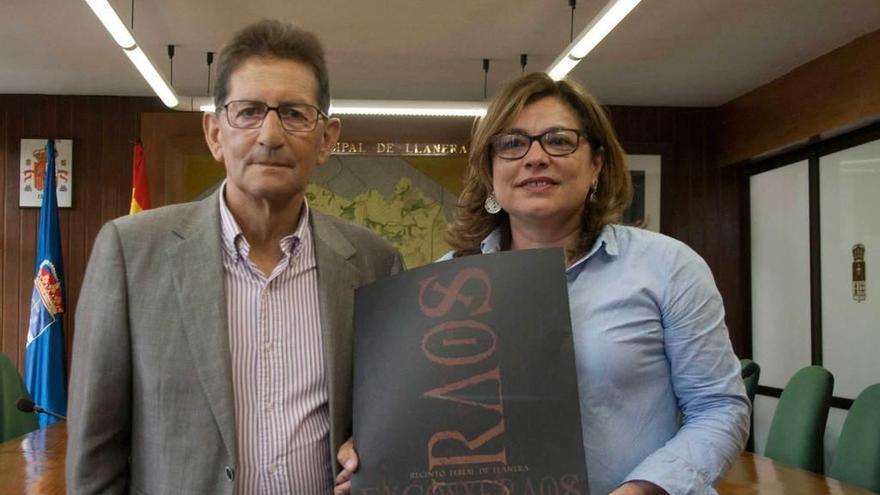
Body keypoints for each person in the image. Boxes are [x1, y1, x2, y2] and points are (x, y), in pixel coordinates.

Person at [66, 19, 401, 495]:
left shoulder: (375, 264)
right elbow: (94, 455)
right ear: (214, 133)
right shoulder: (130, 253)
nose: (270, 134)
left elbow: (387, 424)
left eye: (294, 113)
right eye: (247, 112)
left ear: (326, 138)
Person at [447, 72, 750, 494]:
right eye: (512, 143)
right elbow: (430, 414)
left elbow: (719, 407)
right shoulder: (450, 283)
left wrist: (645, 488)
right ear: (490, 171)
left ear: (596, 164)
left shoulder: (669, 267)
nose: (535, 157)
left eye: (558, 140)